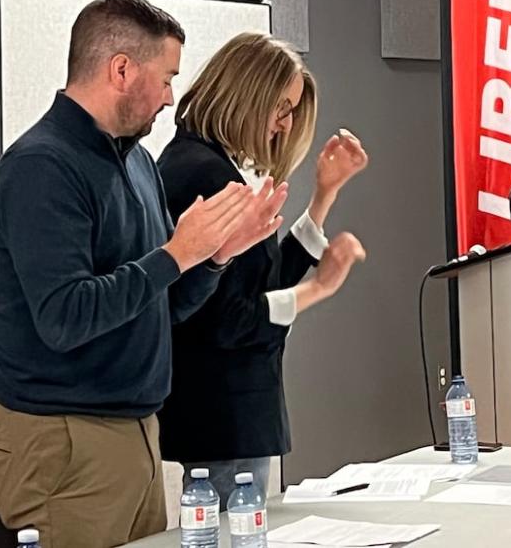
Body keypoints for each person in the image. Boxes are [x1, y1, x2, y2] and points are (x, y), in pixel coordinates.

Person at [0, 0, 286, 547]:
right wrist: (174, 254)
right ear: (121, 69)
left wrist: (214, 255)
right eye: (166, 78)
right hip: (65, 441)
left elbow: (158, 307)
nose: (171, 98)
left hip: (137, 435)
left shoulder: (138, 162)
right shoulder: (41, 167)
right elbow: (65, 317)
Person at [156, 32, 368, 505]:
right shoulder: (205, 174)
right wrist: (318, 289)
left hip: (230, 421)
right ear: (247, 93)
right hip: (223, 420)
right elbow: (225, 319)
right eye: (281, 107)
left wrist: (323, 196)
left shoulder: (209, 165)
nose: (285, 124)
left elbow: (261, 280)